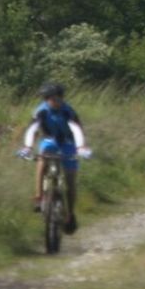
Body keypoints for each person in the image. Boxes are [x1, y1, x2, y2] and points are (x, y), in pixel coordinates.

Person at [18, 81, 91, 234]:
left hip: (68, 144)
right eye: (48, 98)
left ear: (61, 97)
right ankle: (39, 197)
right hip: (49, 141)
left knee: (70, 181)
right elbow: (32, 130)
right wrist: (27, 147)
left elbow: (76, 129)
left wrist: (81, 148)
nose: (52, 101)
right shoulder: (41, 111)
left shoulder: (68, 111)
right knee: (42, 159)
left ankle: (70, 214)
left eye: (55, 98)